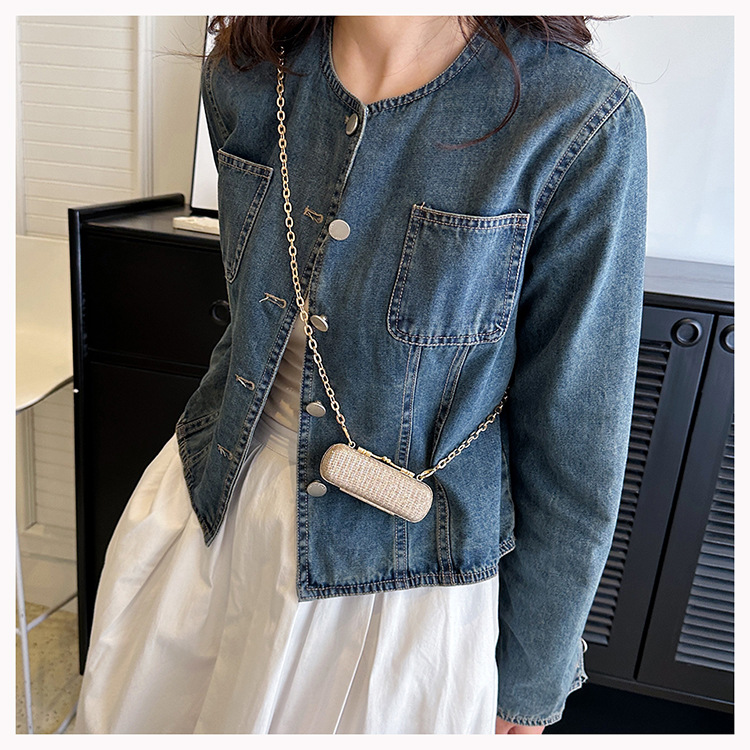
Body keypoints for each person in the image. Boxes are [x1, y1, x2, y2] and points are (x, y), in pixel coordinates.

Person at [75, 15, 647, 734]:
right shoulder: (244, 75)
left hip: (403, 576)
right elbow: (251, 323)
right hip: (212, 510)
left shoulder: (575, 119)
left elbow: (575, 438)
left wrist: (532, 676)